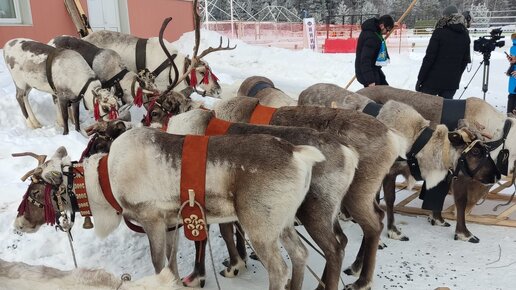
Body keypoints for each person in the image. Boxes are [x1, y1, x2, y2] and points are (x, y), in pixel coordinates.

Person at [415, 5, 471, 99]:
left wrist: (420, 79)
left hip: (432, 81)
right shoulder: (465, 34)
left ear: (445, 16)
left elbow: (429, 58)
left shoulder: (439, 32)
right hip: (451, 83)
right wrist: (456, 76)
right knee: (445, 111)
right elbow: (465, 60)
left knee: (424, 110)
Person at [355, 14, 395, 87]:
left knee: (385, 88)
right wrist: (370, 81)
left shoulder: (374, 30)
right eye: (388, 29)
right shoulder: (371, 37)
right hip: (367, 73)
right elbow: (365, 60)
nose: (387, 32)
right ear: (382, 26)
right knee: (377, 95)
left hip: (373, 68)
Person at [506, 33, 516, 114]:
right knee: (512, 94)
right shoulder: (513, 47)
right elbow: (514, 60)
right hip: (513, 74)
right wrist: (512, 63)